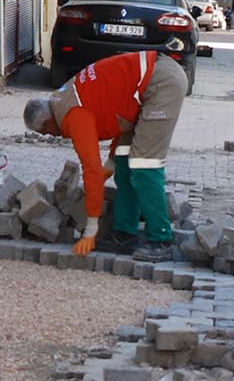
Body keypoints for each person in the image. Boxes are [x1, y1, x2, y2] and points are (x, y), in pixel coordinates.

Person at [23, 47, 189, 258]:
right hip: (146, 84)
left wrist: (91, 230)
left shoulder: (73, 115)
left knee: (143, 166)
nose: (51, 136)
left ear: (47, 124)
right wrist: (110, 166)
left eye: (45, 132)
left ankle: (161, 239)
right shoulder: (62, 98)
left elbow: (91, 169)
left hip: (161, 83)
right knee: (123, 163)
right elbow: (117, 112)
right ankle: (124, 234)